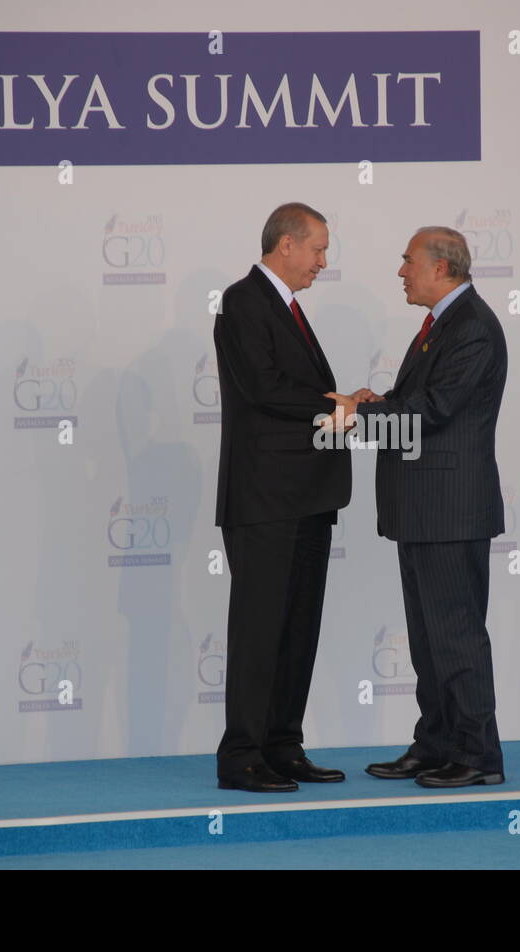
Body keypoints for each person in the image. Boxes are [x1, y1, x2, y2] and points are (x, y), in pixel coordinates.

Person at [327, 226, 508, 787]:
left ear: (441, 267)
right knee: (431, 639)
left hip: (449, 511)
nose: (401, 272)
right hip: (426, 510)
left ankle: (477, 757)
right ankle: (437, 742)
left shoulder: (472, 327)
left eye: (408, 262)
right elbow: (422, 406)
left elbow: (435, 411)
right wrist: (379, 402)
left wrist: (360, 417)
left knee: (455, 635)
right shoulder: (444, 325)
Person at [212, 201, 351, 792]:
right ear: (286, 244)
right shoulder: (244, 301)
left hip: (307, 497)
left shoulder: (288, 309)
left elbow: (296, 391)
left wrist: (343, 403)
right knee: (260, 630)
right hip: (265, 498)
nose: (324, 261)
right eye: (318, 249)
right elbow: (264, 389)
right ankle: (242, 754)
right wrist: (333, 404)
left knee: (298, 628)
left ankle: (282, 746)